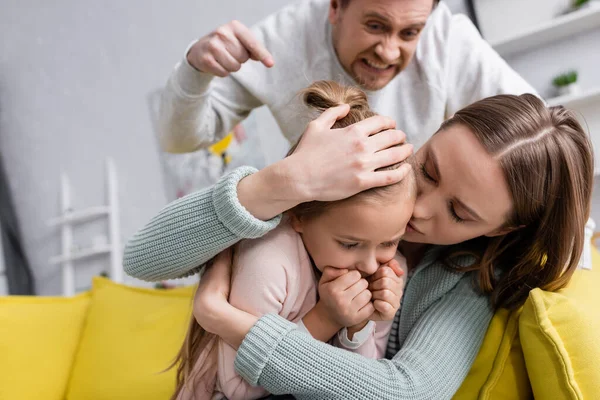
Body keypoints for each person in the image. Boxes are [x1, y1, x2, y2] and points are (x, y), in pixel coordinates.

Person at [124, 92, 594, 398]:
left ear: (499, 231)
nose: (420, 207)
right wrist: (286, 181)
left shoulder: (468, 284)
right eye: (427, 169)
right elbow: (141, 259)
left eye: (459, 213)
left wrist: (223, 320)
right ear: (435, 129)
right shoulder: (347, 177)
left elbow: (407, 393)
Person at [172, 81, 415, 400]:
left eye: (389, 242)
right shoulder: (270, 260)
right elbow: (239, 389)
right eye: (349, 244)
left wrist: (359, 326)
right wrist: (326, 319)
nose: (371, 264)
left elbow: (360, 388)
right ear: (298, 215)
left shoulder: (391, 270)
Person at [159, 0, 534, 154]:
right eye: (375, 25)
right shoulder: (282, 39)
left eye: (409, 33)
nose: (388, 52)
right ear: (335, 6)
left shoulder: (448, 38)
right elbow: (180, 141)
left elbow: (537, 130)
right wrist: (195, 71)